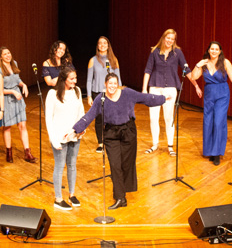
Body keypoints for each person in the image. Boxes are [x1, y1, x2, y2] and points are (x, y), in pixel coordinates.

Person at [72, 73, 169, 209]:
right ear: (105, 84)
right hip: (111, 134)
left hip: (128, 132)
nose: (112, 86)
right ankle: (120, 197)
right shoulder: (101, 98)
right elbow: (89, 115)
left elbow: (145, 98)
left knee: (126, 165)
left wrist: (163, 98)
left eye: (114, 83)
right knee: (115, 165)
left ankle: (121, 193)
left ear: (117, 84)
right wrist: (76, 129)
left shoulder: (127, 93)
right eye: (109, 83)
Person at [142, 29, 202, 156]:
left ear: (174, 40)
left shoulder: (177, 53)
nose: (169, 40)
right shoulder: (155, 52)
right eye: (168, 38)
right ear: (163, 38)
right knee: (153, 118)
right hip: (155, 88)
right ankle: (155, 144)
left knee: (169, 118)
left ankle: (170, 145)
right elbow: (147, 70)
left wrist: (196, 85)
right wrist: (144, 89)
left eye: (172, 39)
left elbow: (186, 70)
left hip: (170, 89)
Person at [191, 41, 232, 166]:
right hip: (209, 95)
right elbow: (194, 77)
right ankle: (210, 151)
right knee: (208, 122)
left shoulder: (225, 62)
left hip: (222, 94)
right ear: (209, 50)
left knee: (218, 122)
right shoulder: (204, 63)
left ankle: (217, 153)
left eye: (217, 49)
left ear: (220, 51)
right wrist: (197, 65)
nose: (214, 51)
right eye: (212, 49)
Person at [45, 67, 85, 210]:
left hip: (74, 135)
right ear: (64, 79)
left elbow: (81, 112)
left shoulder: (77, 91)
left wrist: (81, 129)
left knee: (72, 165)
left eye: (75, 78)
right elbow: (49, 118)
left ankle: (72, 194)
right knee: (60, 166)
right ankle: (58, 198)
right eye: (72, 79)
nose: (75, 81)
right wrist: (53, 139)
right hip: (59, 136)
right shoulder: (53, 94)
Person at [0, 47, 36, 164]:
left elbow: (17, 79)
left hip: (17, 97)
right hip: (6, 98)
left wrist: (23, 85)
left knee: (22, 125)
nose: (8, 55)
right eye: (5, 54)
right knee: (7, 127)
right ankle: (9, 152)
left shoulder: (14, 63)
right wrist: (13, 92)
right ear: (1, 57)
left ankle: (27, 152)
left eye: (9, 53)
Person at [86, 36, 122, 154]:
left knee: (111, 118)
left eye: (104, 43)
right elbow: (89, 80)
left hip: (111, 92)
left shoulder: (114, 60)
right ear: (97, 46)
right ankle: (100, 143)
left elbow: (118, 79)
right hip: (98, 92)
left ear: (108, 45)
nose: (102, 45)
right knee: (99, 119)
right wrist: (89, 96)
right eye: (100, 43)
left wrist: (120, 93)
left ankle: (111, 141)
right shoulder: (93, 60)